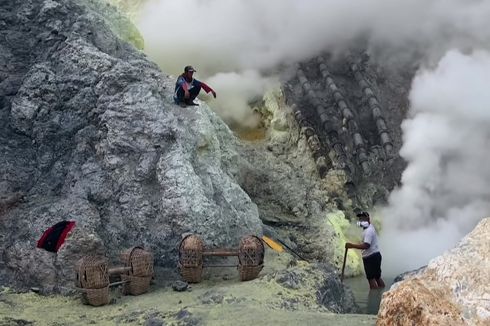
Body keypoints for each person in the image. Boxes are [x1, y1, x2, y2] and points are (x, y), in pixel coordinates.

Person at [345, 211, 385, 289]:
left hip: (370, 257)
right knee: (377, 277)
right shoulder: (369, 228)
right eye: (360, 219)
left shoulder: (368, 231)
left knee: (371, 279)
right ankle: (382, 293)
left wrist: (351, 245)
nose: (361, 221)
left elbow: (366, 245)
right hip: (375, 255)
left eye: (363, 219)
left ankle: (374, 298)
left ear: (368, 219)